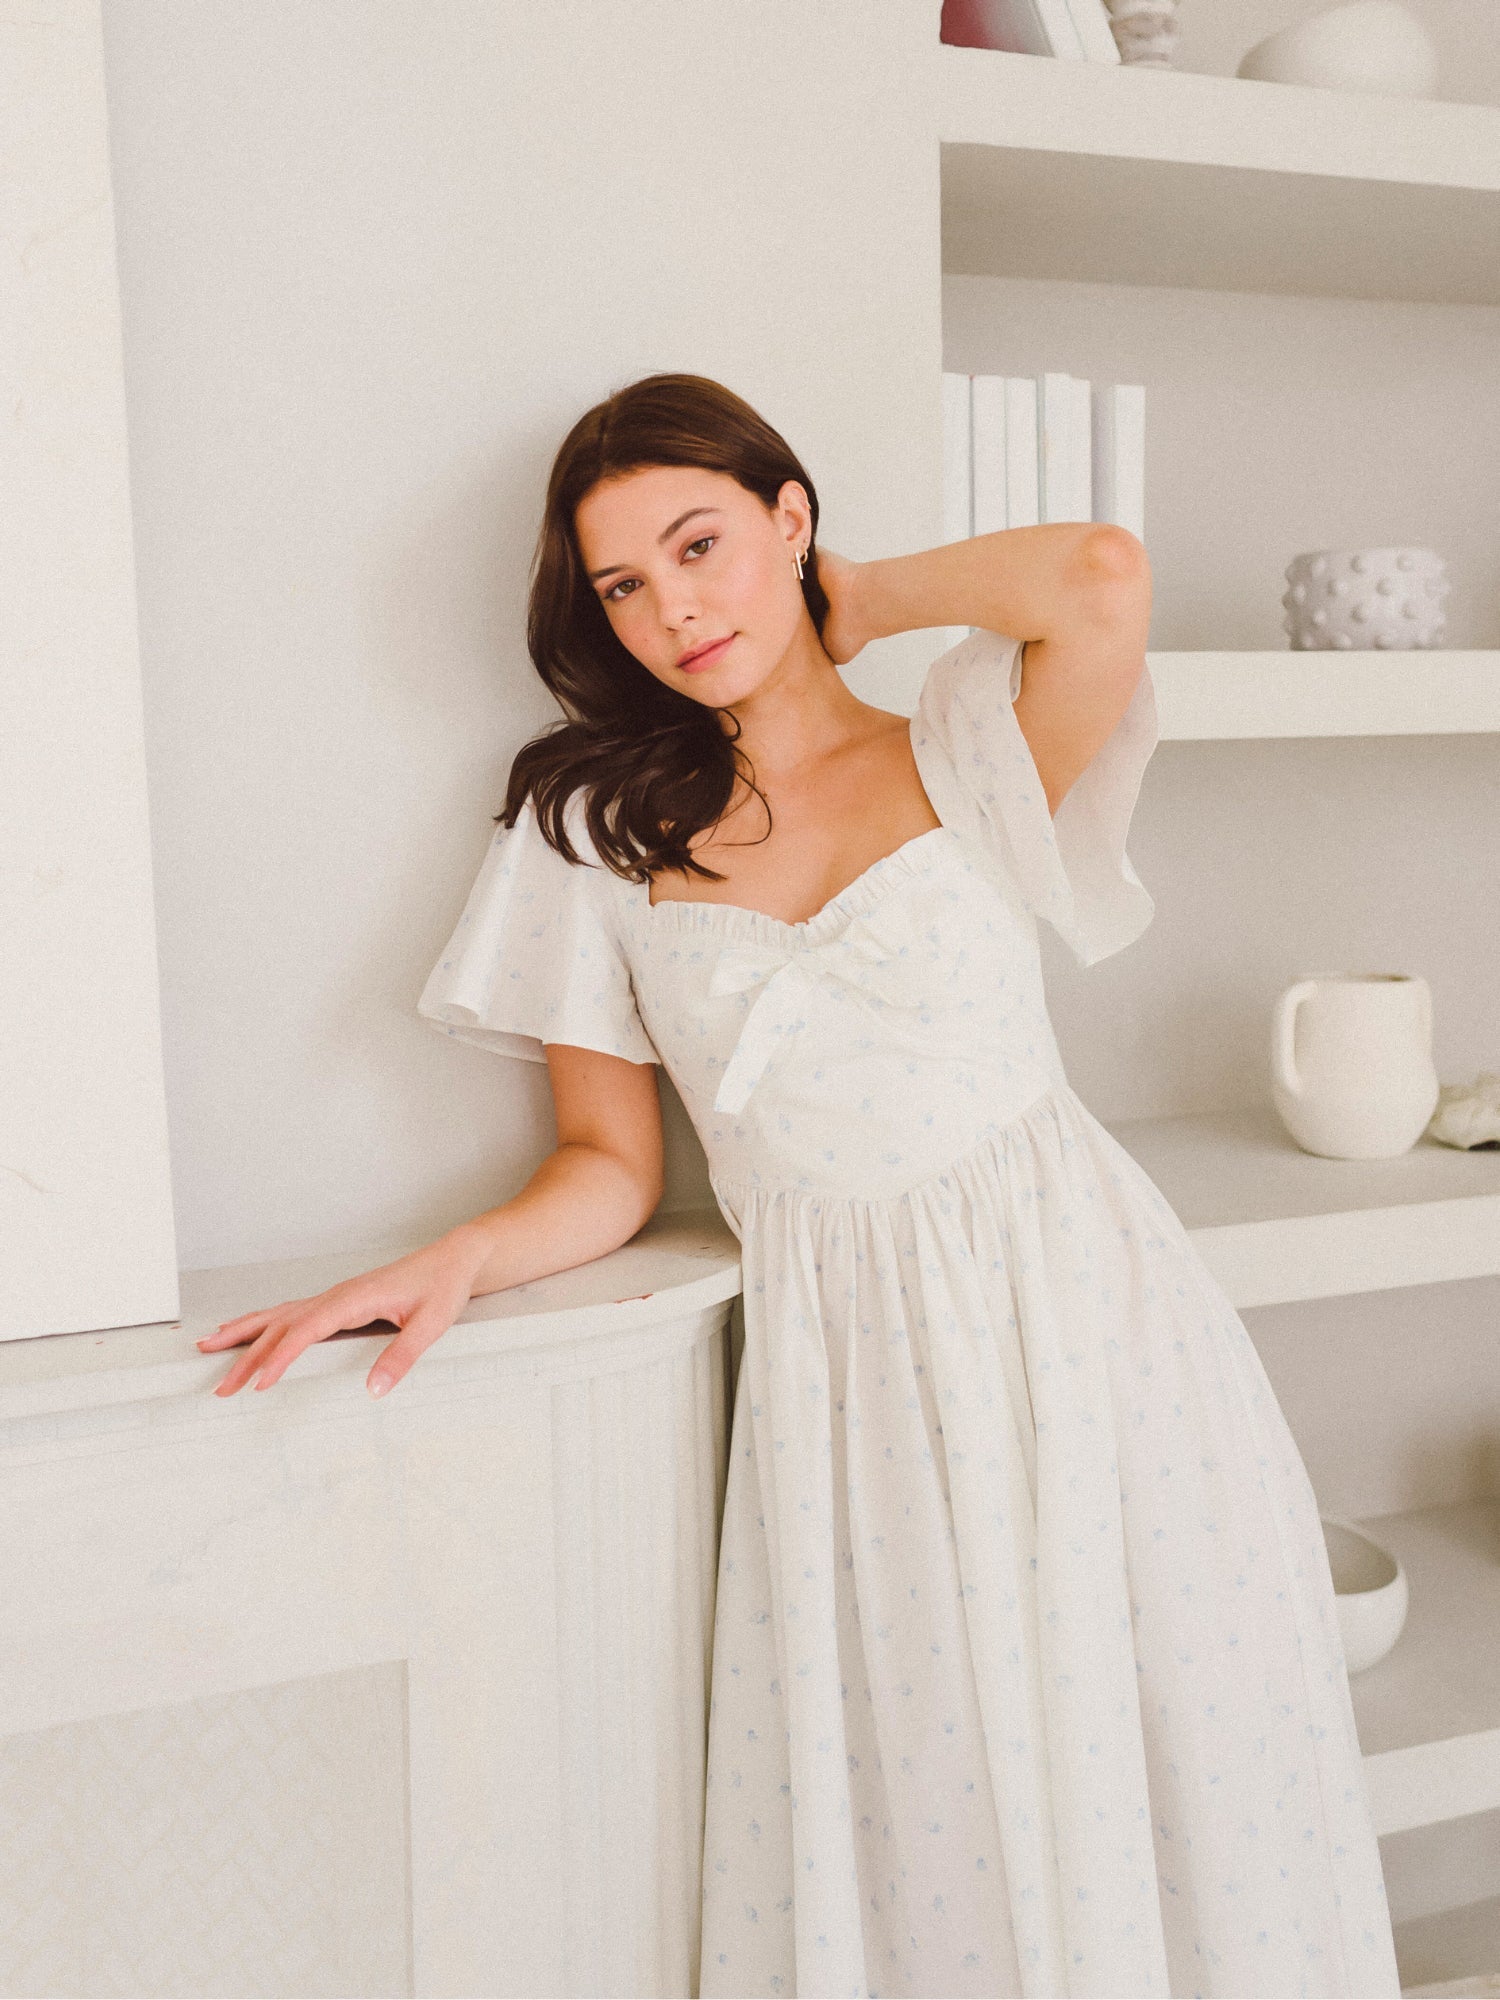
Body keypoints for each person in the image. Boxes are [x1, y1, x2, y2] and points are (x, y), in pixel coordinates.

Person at [198, 372, 1401, 1998]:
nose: (671, 608)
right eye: (623, 585)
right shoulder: (590, 831)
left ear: (790, 520)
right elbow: (609, 1166)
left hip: (1098, 1333)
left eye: (701, 545)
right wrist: (455, 1264)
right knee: (937, 1826)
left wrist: (865, 605)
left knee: (1176, 1775)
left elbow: (1102, 575)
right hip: (858, 1399)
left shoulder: (974, 754)